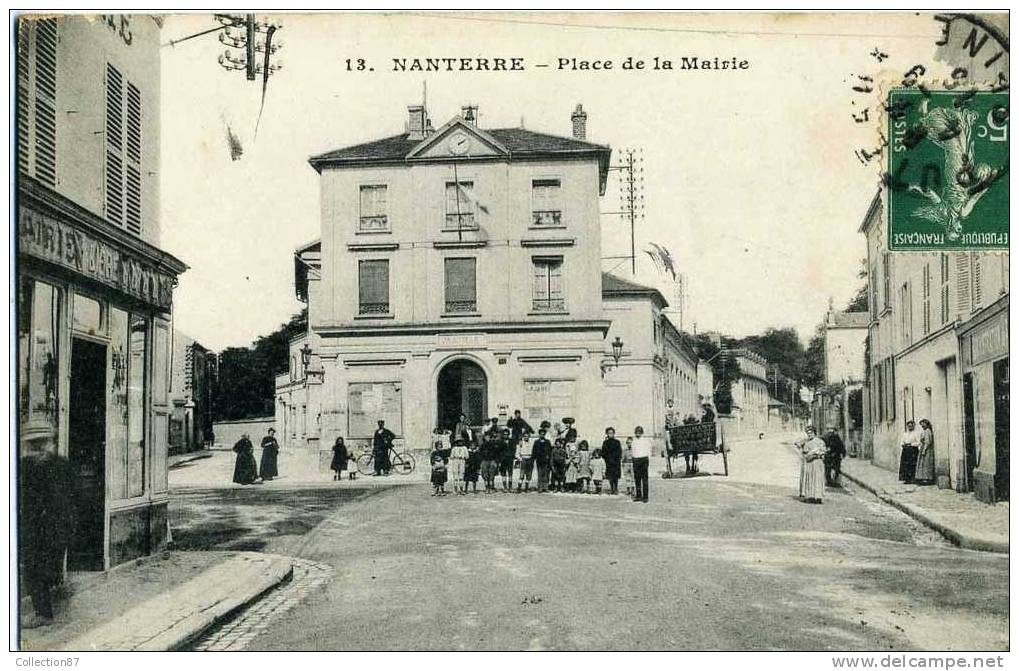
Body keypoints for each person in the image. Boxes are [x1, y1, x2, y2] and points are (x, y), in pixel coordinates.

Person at [19, 445, 73, 624]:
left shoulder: (36, 466)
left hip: (44, 529)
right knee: (38, 570)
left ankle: (43, 614)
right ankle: (43, 611)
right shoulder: (35, 464)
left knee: (35, 570)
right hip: (46, 528)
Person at [796, 425, 827, 503]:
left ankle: (818, 497)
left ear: (814, 433)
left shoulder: (820, 441)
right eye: (808, 433)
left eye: (811, 433)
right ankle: (810, 496)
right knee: (810, 478)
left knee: (818, 479)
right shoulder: (806, 442)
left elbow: (823, 451)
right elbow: (799, 446)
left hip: (818, 463)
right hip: (810, 463)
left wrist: (818, 454)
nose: (810, 435)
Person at [631, 426, 652, 502]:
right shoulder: (634, 441)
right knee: (637, 479)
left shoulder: (646, 441)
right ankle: (638, 495)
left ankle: (645, 497)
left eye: (639, 432)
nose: (638, 433)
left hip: (644, 459)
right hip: (636, 460)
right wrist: (633, 459)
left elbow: (649, 451)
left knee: (645, 479)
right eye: (636, 432)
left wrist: (648, 460)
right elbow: (633, 451)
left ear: (642, 432)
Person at [601, 427, 622, 495]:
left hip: (616, 462)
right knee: (610, 476)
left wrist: (617, 459)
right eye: (609, 433)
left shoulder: (617, 442)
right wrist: (607, 458)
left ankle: (615, 488)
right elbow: (603, 452)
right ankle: (612, 488)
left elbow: (619, 451)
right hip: (608, 462)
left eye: (612, 433)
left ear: (614, 434)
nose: (610, 434)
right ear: (607, 434)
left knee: (615, 476)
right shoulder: (605, 443)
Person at [915, 419, 936, 485]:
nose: (922, 425)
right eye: (921, 424)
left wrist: (924, 450)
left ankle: (926, 479)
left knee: (926, 464)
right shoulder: (925, 431)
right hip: (924, 448)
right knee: (923, 464)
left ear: (926, 424)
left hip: (927, 449)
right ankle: (924, 478)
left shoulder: (927, 431)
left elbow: (928, 442)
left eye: (923, 424)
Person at [532, 428, 553, 493]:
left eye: (543, 434)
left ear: (545, 435)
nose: (542, 435)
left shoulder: (548, 442)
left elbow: (550, 451)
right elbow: (534, 451)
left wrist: (549, 458)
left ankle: (546, 487)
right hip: (539, 460)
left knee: (546, 474)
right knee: (540, 474)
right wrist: (533, 459)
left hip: (546, 460)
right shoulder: (536, 442)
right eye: (541, 434)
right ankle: (540, 487)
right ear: (539, 435)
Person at [499, 427, 516, 492]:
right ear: (503, 435)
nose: (506, 435)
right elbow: (499, 451)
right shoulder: (500, 442)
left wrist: (512, 456)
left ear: (509, 434)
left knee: (510, 473)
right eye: (504, 434)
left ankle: (510, 487)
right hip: (503, 459)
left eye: (507, 434)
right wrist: (500, 459)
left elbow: (513, 449)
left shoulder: (511, 441)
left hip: (509, 458)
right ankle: (505, 487)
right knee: (503, 473)